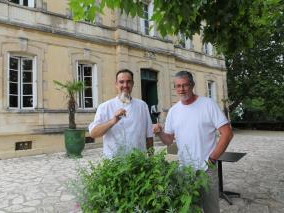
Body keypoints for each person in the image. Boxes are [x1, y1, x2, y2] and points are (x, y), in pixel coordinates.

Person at [153, 70, 233, 213]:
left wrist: (213, 159)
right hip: (185, 170)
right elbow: (169, 140)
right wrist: (159, 133)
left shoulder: (208, 104)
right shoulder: (173, 111)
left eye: (185, 85)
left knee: (211, 209)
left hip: (207, 168)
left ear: (192, 85)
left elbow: (227, 133)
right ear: (175, 88)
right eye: (178, 86)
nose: (182, 89)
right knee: (190, 209)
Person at [89, 69, 154, 158]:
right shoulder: (105, 107)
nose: (125, 85)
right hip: (113, 162)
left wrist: (151, 159)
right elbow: (93, 134)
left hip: (138, 161)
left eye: (128, 82)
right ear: (116, 84)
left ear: (133, 84)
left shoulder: (142, 106)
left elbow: (149, 135)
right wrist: (113, 121)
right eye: (121, 82)